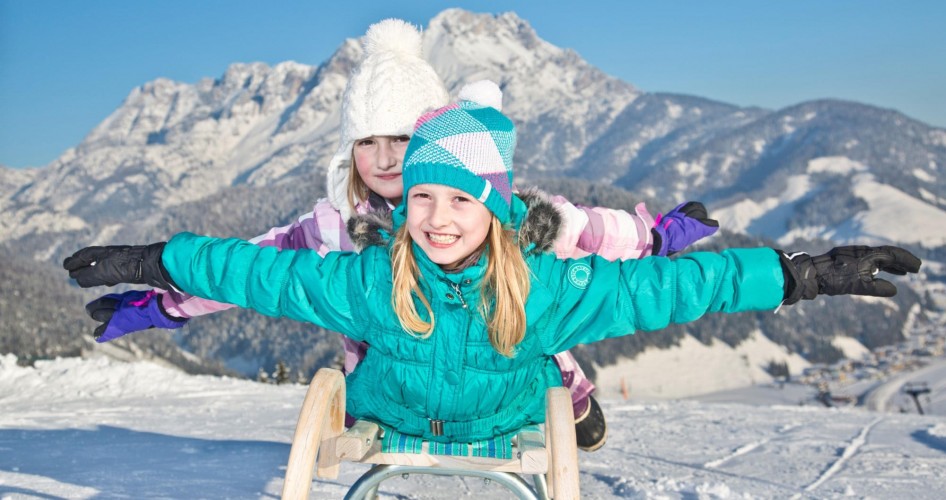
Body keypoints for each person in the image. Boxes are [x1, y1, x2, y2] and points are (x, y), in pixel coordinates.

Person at [64, 86, 921, 445]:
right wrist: (157, 262)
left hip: (503, 428)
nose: (437, 220)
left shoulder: (545, 286)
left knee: (563, 365)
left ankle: (578, 411)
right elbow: (260, 273)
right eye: (424, 201)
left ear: (496, 208)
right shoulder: (369, 278)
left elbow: (676, 286)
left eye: (461, 201)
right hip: (389, 424)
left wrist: (803, 275)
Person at [76, 21, 717, 451]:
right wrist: (164, 302)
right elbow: (253, 271)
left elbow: (586, 231)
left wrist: (654, 237)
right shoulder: (333, 226)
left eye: (402, 140)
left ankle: (571, 400)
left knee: (529, 310)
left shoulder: (489, 206)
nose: (384, 159)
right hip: (394, 380)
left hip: (500, 359)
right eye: (367, 142)